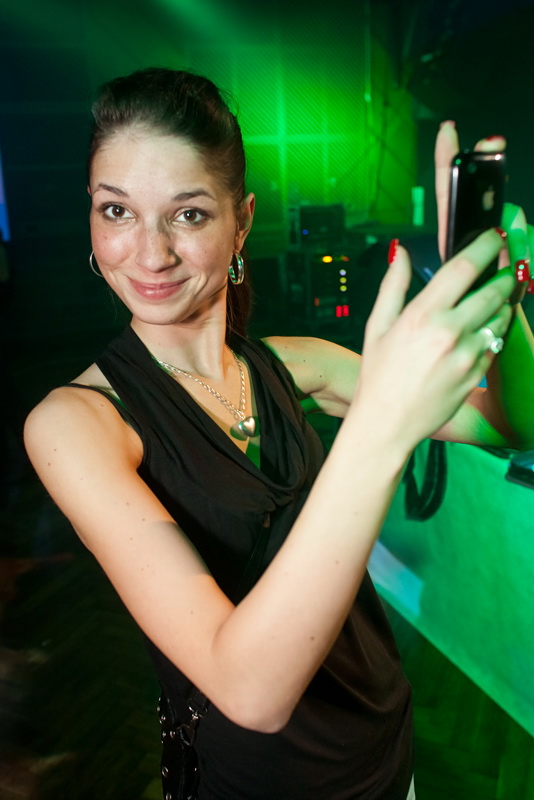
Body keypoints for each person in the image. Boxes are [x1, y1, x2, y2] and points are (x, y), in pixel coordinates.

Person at [23, 68, 534, 800]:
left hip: (384, 744)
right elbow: (248, 691)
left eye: (188, 214)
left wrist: (499, 295)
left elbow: (511, 420)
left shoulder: (298, 365)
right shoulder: (75, 424)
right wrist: (382, 429)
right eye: (117, 211)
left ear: (241, 223)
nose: (150, 252)